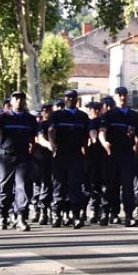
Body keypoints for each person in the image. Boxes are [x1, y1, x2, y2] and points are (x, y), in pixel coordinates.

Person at [0, 91, 38, 231]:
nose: (19, 101)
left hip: (23, 157)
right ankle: (4, 215)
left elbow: (34, 137)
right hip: (6, 157)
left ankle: (21, 217)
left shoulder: (30, 119)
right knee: (5, 187)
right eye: (16, 99)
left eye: (22, 99)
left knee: (22, 186)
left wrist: (32, 150)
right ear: (11, 101)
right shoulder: (3, 117)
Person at [98, 86, 138, 227]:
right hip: (112, 154)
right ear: (115, 97)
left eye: (124, 95)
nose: (122, 98)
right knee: (111, 185)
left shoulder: (134, 116)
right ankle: (110, 212)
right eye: (119, 95)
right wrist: (104, 143)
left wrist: (135, 151)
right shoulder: (109, 115)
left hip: (127, 154)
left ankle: (129, 215)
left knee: (128, 185)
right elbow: (102, 132)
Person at [48, 90, 91, 228]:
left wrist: (86, 149)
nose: (70, 100)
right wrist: (53, 145)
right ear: (64, 99)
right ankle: (57, 214)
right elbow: (51, 131)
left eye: (73, 98)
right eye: (68, 98)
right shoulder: (57, 115)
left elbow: (86, 136)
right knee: (59, 185)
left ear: (77, 99)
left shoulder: (83, 116)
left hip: (76, 154)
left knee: (75, 186)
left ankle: (75, 215)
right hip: (60, 154)